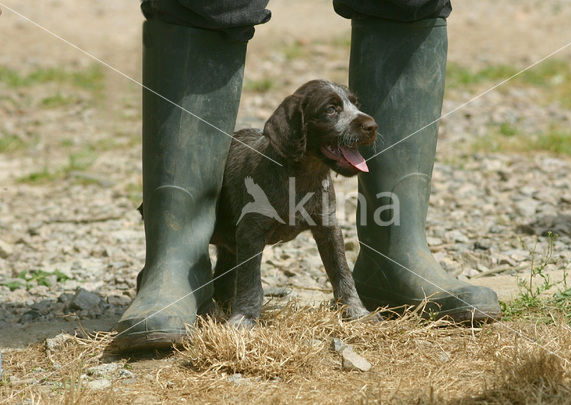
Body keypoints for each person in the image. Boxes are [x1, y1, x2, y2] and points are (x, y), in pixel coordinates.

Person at [113, 0, 501, 351]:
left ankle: (396, 259)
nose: (363, 121)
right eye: (335, 110)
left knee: (408, 0)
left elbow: (329, 232)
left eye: (352, 106)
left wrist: (346, 299)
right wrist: (251, 306)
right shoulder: (269, 161)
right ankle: (177, 268)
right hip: (243, 203)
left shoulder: (321, 177)